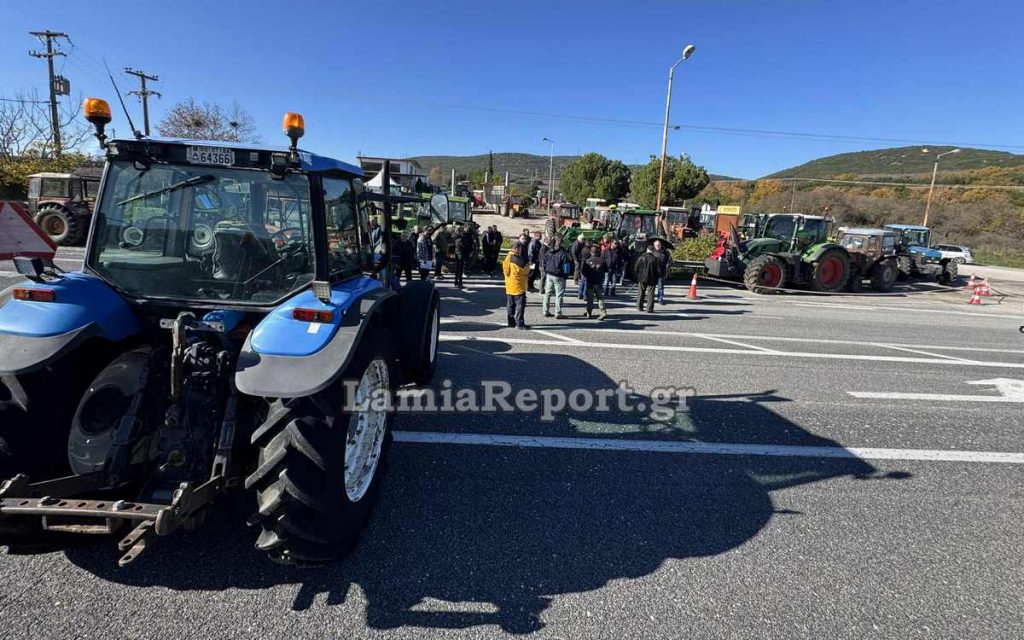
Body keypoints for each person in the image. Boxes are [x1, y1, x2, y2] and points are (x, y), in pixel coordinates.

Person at [503, 240, 530, 329]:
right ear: (517, 248)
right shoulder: (517, 259)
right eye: (520, 249)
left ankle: (511, 323)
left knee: (510, 305)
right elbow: (524, 270)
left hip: (510, 285)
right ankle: (520, 323)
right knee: (520, 306)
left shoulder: (508, 257)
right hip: (518, 286)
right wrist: (529, 267)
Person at [541, 239, 571, 319]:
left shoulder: (549, 251)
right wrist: (566, 276)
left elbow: (544, 261)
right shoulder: (564, 254)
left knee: (547, 293)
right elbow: (566, 267)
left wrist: (545, 270)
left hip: (549, 274)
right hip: (559, 276)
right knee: (559, 295)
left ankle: (545, 311)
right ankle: (558, 312)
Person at [581, 246, 608, 320]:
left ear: (591, 252)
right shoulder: (603, 261)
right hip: (599, 282)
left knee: (590, 299)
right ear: (598, 252)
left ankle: (589, 313)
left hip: (590, 282)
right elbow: (606, 270)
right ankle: (603, 312)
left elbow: (583, 272)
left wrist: (588, 276)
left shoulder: (587, 261)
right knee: (600, 298)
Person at [634, 246, 661, 313]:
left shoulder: (641, 257)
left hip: (642, 277)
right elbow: (659, 270)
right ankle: (649, 308)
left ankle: (639, 307)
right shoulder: (655, 259)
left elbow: (636, 268)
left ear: (647, 250)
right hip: (652, 278)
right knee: (651, 294)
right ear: (653, 251)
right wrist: (657, 276)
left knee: (641, 292)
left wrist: (637, 276)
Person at [651, 239, 671, 304]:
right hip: (653, 272)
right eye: (656, 245)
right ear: (654, 246)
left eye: (659, 245)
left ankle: (660, 299)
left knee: (661, 288)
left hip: (662, 272)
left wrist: (667, 268)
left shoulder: (666, 252)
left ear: (661, 245)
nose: (658, 247)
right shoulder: (652, 252)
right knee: (651, 287)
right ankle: (650, 299)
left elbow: (669, 261)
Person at [570, 233, 587, 300]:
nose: (584, 240)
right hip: (576, 259)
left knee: (578, 269)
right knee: (577, 269)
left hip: (579, 258)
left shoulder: (580, 243)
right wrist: (576, 259)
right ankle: (576, 280)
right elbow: (573, 252)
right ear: (580, 239)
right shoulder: (576, 244)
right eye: (583, 239)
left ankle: (577, 278)